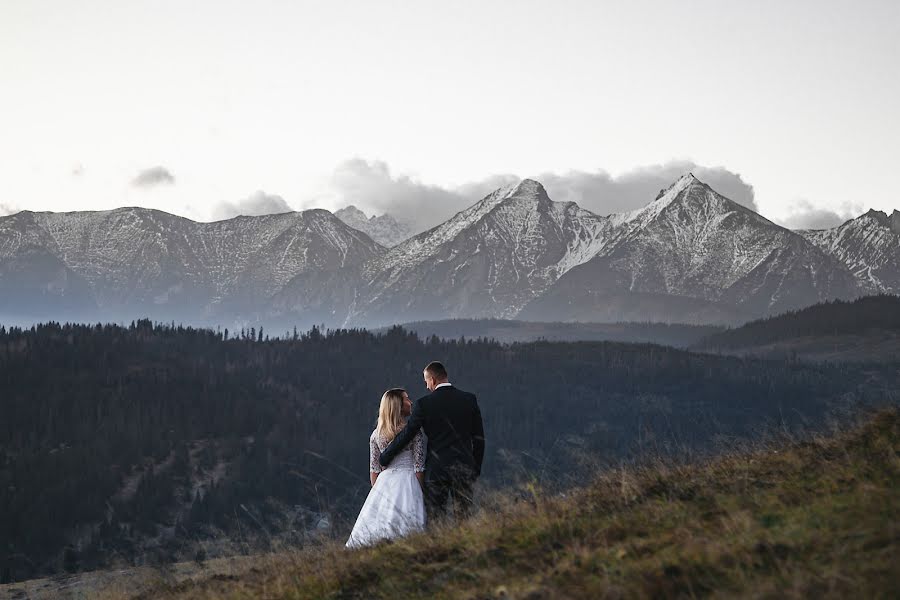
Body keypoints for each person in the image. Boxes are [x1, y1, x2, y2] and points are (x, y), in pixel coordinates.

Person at [379, 361, 485, 523]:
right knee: (464, 519)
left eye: (426, 381)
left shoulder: (424, 404)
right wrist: (475, 468)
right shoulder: (469, 399)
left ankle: (439, 548)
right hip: (464, 468)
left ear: (433, 380)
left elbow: (408, 434)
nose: (427, 386)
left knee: (436, 521)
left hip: (437, 470)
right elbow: (478, 438)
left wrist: (385, 456)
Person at [345, 388, 426, 548]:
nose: (411, 402)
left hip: (385, 482)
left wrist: (378, 493)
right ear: (398, 406)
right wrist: (422, 491)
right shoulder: (415, 433)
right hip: (408, 481)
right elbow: (418, 466)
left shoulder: (376, 435)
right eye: (407, 399)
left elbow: (374, 470)